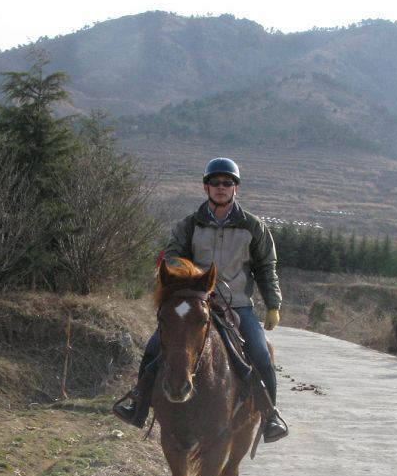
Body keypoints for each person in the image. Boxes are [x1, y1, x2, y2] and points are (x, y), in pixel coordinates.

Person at [113, 157, 288, 443]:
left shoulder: (253, 226)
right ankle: (138, 404)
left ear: (236, 189)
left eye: (227, 183)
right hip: (196, 302)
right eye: (216, 183)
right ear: (206, 188)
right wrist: (187, 276)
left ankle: (270, 417)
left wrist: (273, 305)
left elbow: (266, 267)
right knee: (154, 347)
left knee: (260, 353)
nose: (221, 187)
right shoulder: (190, 225)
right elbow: (171, 257)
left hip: (237, 305)